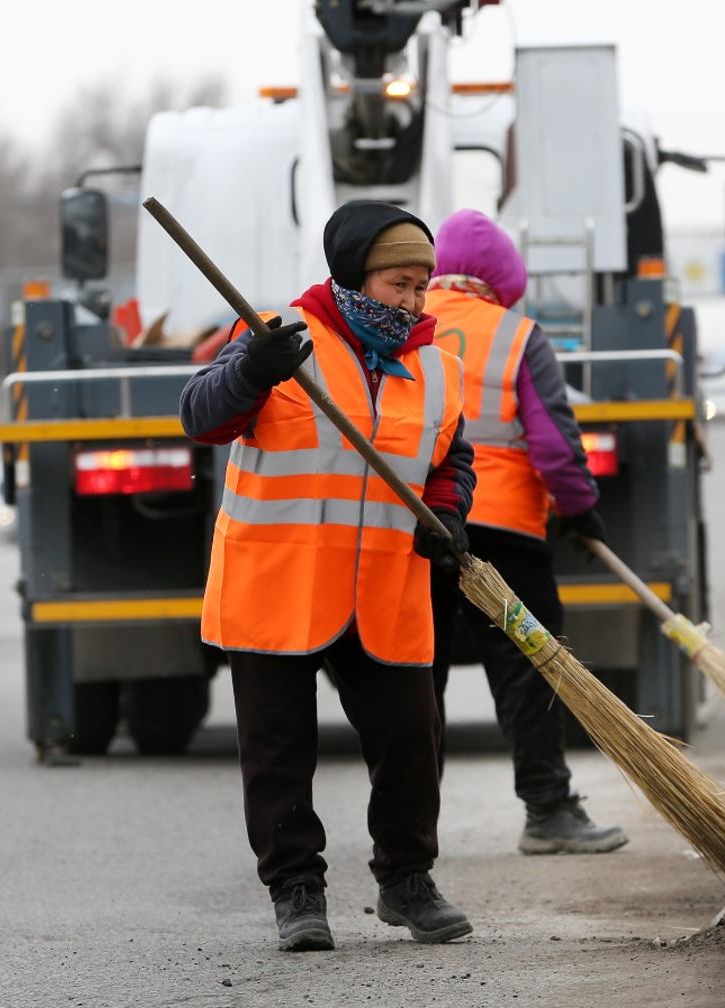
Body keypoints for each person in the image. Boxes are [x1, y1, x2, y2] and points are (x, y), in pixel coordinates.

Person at [179, 200, 477, 953]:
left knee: (412, 736)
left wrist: (449, 514)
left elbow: (449, 461)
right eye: (398, 283)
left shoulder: (438, 366)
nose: (412, 300)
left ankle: (408, 881)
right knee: (278, 748)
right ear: (353, 275)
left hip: (385, 587)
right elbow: (199, 416)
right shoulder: (278, 337)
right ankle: (296, 890)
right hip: (275, 582)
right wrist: (250, 371)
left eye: (421, 284)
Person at [422, 209, 627, 855]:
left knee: (413, 678)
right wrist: (578, 506)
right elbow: (553, 443)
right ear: (505, 278)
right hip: (503, 530)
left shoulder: (401, 324)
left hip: (418, 528)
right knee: (529, 668)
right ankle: (548, 811)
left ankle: (408, 830)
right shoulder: (517, 335)